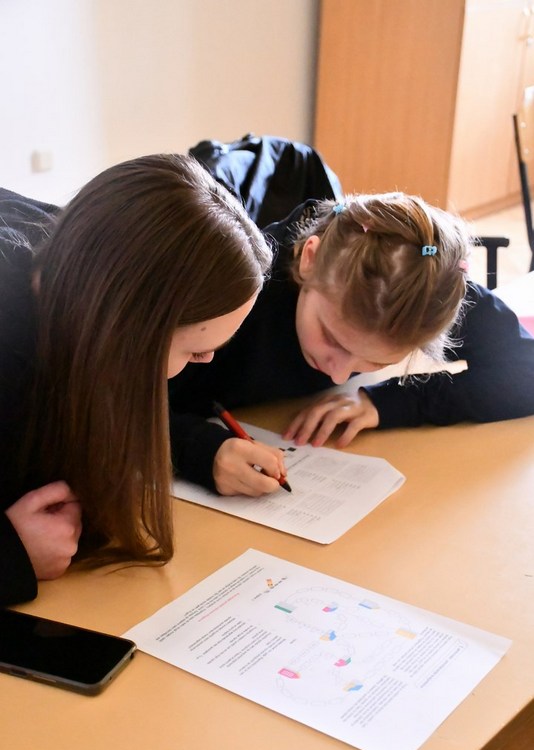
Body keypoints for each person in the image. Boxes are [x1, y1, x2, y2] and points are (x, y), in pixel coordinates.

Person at [0, 153, 273, 607]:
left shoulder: (83, 266)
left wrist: (199, 449)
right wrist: (12, 554)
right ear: (128, 326)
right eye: (194, 350)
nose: (206, 361)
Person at [167, 192, 534, 496]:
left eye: (374, 363)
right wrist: (199, 450)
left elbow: (526, 372)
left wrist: (388, 402)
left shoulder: (420, 290)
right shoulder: (236, 293)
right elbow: (131, 398)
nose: (339, 374)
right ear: (309, 259)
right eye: (332, 338)